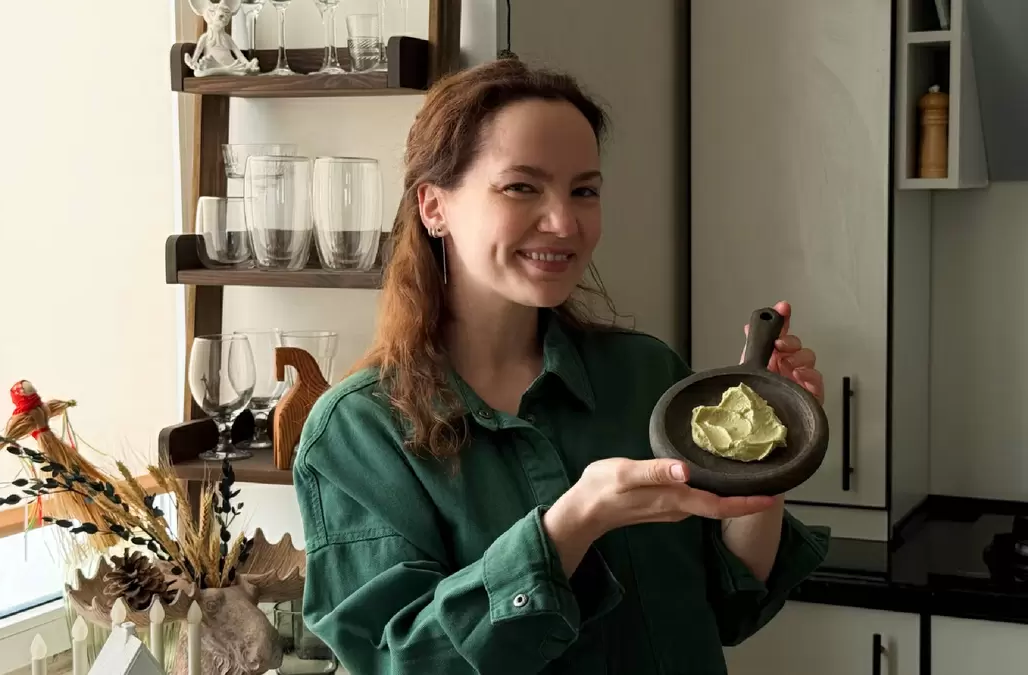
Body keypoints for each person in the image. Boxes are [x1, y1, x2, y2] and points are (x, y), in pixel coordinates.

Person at [292, 58, 830, 675]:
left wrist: (765, 459)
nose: (564, 223)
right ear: (434, 205)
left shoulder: (646, 373)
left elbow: (730, 606)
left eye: (584, 190)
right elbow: (401, 661)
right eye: (521, 187)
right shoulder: (356, 431)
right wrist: (573, 524)